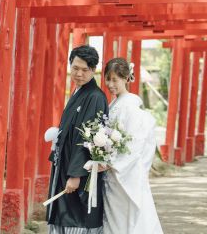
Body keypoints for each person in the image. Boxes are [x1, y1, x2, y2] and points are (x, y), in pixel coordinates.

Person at [46, 45, 108, 234]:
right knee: (64, 215)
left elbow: (86, 138)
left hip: (79, 173)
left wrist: (75, 174)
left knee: (76, 219)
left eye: (84, 70)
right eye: (75, 68)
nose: (79, 73)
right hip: (65, 165)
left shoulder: (95, 96)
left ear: (93, 70)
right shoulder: (78, 92)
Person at [102, 57, 163, 233]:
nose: (111, 84)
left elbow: (135, 142)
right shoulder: (115, 103)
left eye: (115, 79)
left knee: (125, 218)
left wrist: (111, 162)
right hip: (113, 171)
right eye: (108, 79)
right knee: (114, 219)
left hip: (123, 171)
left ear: (126, 78)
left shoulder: (129, 105)